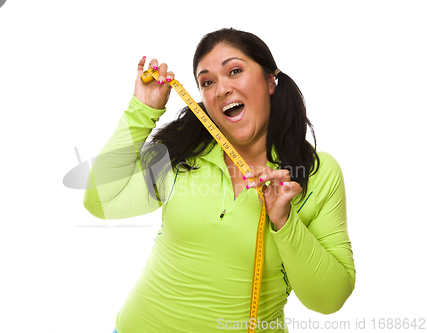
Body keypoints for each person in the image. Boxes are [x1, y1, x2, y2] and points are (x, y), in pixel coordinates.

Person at [84, 28, 356, 333]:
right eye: (207, 82)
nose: (221, 89)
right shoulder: (182, 155)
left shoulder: (317, 173)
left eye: (235, 71)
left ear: (270, 81)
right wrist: (141, 110)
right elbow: (101, 202)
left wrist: (284, 221)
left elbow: (329, 299)